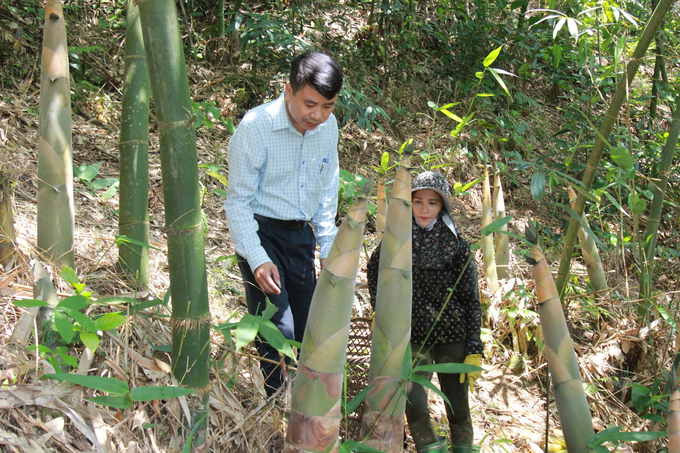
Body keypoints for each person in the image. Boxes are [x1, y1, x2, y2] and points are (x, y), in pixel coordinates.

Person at [224, 51, 343, 396]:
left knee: (309, 330)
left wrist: (327, 245)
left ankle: (304, 410)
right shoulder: (256, 127)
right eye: (310, 104)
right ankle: (275, 406)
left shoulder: (327, 127)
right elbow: (237, 202)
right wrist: (257, 259)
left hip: (301, 237)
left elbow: (326, 187)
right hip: (262, 235)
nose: (317, 115)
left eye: (328, 106)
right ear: (288, 90)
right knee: (279, 331)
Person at [367, 171, 483, 453]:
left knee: (457, 404)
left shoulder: (456, 246)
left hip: (452, 336)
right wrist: (379, 309)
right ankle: (431, 448)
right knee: (413, 401)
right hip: (412, 334)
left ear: (442, 206)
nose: (424, 209)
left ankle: (463, 448)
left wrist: (474, 345)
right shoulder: (397, 240)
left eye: (432, 203)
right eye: (418, 201)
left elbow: (471, 299)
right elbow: (374, 270)